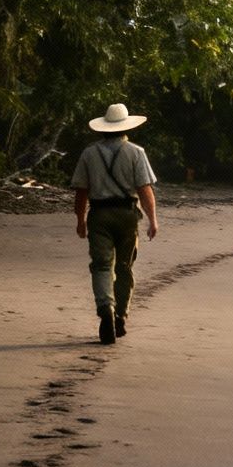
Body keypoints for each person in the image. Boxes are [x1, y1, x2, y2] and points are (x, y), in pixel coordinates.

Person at [70, 103, 159, 344]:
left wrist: (80, 220)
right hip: (127, 215)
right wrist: (152, 219)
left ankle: (105, 309)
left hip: (99, 215)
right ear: (125, 127)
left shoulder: (89, 154)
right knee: (124, 267)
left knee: (101, 266)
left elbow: (81, 192)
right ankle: (120, 314)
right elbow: (145, 190)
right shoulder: (136, 152)